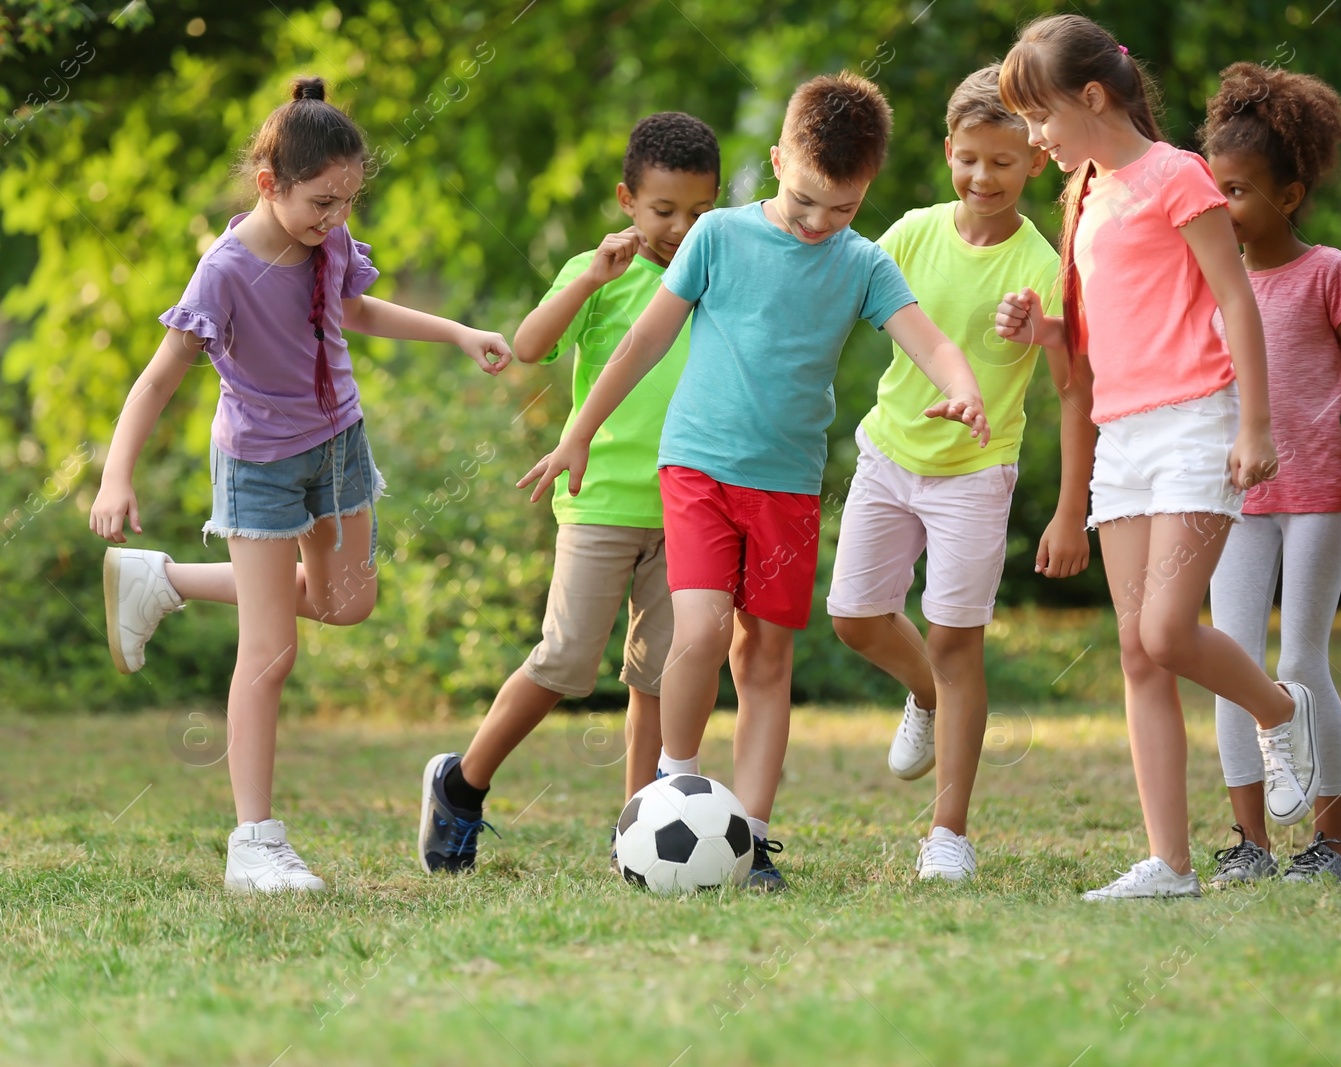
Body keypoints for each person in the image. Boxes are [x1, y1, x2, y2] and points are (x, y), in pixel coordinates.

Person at [522, 71, 990, 890]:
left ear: (864, 192)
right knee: (698, 631)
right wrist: (578, 432)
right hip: (697, 466)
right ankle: (674, 786)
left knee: (766, 658)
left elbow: (932, 340)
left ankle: (753, 834)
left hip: (788, 486)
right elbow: (641, 344)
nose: (818, 223)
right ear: (777, 161)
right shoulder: (718, 238)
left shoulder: (863, 263)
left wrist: (965, 383)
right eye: (805, 200)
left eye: (840, 208)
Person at [90, 76, 510, 893]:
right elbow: (156, 379)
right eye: (322, 201)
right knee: (271, 649)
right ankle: (254, 841)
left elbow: (359, 311)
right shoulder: (225, 272)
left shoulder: (329, 242)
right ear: (268, 184)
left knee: (349, 602)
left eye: (348, 201)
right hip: (260, 465)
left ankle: (164, 579)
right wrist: (116, 474)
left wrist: (458, 333)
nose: (336, 218)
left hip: (338, 446)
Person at [996, 15, 1321, 900]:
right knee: (1139, 656)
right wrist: (1044, 328)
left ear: (1092, 98)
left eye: (1040, 118)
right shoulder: (1083, 194)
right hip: (1122, 434)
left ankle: (1280, 711)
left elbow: (1236, 301)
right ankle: (1169, 864)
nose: (1035, 139)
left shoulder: (1177, 176)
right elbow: (1098, 337)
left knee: (1166, 630)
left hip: (1195, 423)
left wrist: (1255, 424)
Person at [418, 112, 722, 875]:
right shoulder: (605, 271)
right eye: (663, 211)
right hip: (599, 499)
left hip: (688, 504)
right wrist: (591, 277)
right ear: (627, 199)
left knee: (658, 678)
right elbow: (528, 347)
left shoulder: (721, 269)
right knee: (562, 661)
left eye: (698, 211)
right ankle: (462, 784)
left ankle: (639, 835)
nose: (681, 228)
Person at [828, 64, 1094, 881]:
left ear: (1034, 163)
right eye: (970, 158)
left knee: (955, 640)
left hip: (977, 472)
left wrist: (1068, 508)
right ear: (949, 150)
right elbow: (836, 296)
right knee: (854, 618)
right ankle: (925, 695)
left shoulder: (1046, 265)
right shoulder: (909, 233)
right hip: (888, 453)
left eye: (1003, 162)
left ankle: (947, 832)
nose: (983, 177)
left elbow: (1075, 387)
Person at [1200, 63, 1341, 886]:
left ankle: (1332, 845)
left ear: (1288, 196)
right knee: (1230, 658)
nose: (1222, 206)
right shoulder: (1216, 280)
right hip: (1238, 501)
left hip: (1319, 494)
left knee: (1301, 666)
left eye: (1238, 191)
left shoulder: (1328, 272)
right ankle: (1250, 844)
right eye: (1214, 190)